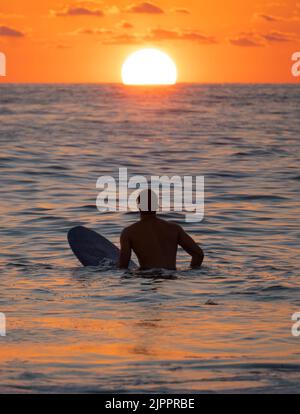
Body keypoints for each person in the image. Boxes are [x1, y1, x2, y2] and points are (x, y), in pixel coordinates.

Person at [118, 189, 204, 270]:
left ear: (138, 206)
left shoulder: (128, 233)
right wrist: (191, 271)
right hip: (171, 279)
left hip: (147, 278)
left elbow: (123, 267)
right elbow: (198, 254)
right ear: (157, 205)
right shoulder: (174, 229)